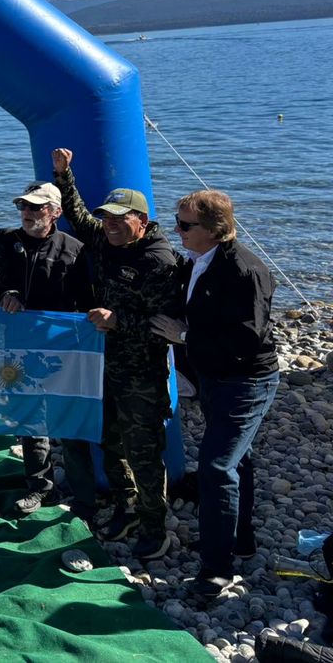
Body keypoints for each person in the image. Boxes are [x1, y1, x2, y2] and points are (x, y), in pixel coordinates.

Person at [148, 190, 280, 599]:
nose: (177, 230)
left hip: (246, 381)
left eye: (185, 225)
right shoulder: (197, 262)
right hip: (213, 377)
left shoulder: (245, 271)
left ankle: (217, 568)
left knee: (216, 466)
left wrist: (185, 336)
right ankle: (241, 541)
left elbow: (246, 337)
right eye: (177, 220)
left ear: (215, 229)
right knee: (238, 458)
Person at [53, 147, 179, 560]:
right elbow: (78, 215)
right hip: (104, 365)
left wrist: (117, 320)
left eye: (118, 219)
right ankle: (127, 507)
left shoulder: (159, 262)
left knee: (143, 451)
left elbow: (165, 327)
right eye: (106, 217)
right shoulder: (108, 240)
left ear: (141, 222)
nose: (108, 225)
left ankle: (154, 525)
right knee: (109, 441)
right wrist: (63, 175)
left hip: (141, 374)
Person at [0, 181, 96, 517]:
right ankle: (40, 488)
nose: (27, 213)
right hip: (20, 350)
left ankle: (84, 497)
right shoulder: (7, 242)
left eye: (36, 207)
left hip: (63, 352)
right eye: (23, 206)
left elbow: (89, 302)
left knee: (72, 424)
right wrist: (4, 293)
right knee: (30, 420)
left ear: (55, 212)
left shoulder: (75, 249)